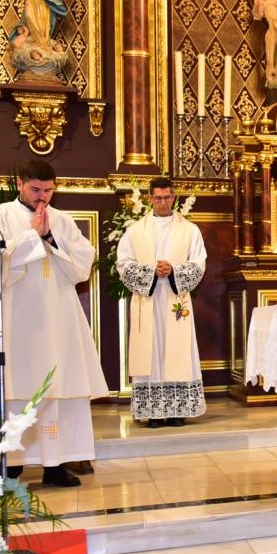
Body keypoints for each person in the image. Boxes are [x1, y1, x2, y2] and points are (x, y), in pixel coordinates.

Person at [0, 159, 108, 487]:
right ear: (21, 184)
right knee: (17, 388)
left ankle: (57, 463)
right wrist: (31, 238)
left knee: (58, 387)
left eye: (49, 190)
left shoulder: (63, 221)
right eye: (36, 190)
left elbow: (82, 264)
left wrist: (49, 236)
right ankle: (12, 463)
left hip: (59, 315)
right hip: (18, 316)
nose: (42, 197)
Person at [116, 177, 207, 428]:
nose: (163, 202)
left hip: (176, 299)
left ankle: (176, 410)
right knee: (150, 351)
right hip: (148, 299)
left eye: (167, 197)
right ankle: (153, 412)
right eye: (158, 198)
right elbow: (123, 263)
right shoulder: (135, 230)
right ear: (149, 198)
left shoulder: (189, 230)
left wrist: (174, 270)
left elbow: (199, 263)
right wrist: (151, 271)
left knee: (177, 352)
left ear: (174, 197)